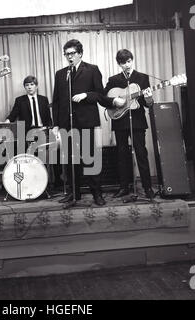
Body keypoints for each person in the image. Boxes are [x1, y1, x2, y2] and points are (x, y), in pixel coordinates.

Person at [52, 39, 124, 206]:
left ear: (80, 54)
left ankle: (97, 194)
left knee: (90, 160)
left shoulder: (92, 70)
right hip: (67, 123)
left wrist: (86, 95)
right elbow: (56, 101)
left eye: (72, 53)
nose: (69, 57)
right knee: (71, 161)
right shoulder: (61, 74)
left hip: (86, 122)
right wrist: (56, 124)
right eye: (66, 54)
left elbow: (100, 95)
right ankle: (74, 194)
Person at [104, 49, 155, 199]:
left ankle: (147, 188)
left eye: (128, 61)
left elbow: (148, 105)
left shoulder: (143, 78)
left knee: (141, 154)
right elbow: (104, 98)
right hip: (120, 120)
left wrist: (149, 98)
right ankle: (123, 187)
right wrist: (114, 100)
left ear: (132, 60)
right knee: (122, 155)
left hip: (138, 121)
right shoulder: (113, 80)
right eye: (123, 63)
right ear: (119, 64)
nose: (126, 65)